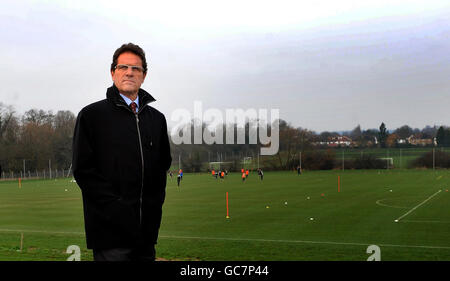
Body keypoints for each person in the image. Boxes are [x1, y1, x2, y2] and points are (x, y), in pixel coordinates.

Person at [72, 43, 172, 261]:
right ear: (112, 72)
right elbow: (84, 171)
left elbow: (162, 167)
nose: (129, 72)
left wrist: (154, 208)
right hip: (110, 235)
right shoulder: (91, 116)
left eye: (136, 68)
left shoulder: (157, 119)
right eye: (123, 67)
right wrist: (117, 209)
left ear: (144, 76)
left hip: (146, 234)